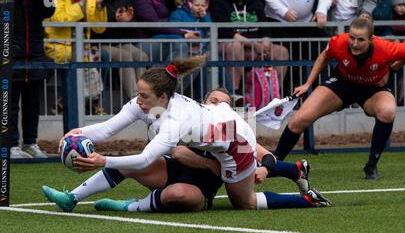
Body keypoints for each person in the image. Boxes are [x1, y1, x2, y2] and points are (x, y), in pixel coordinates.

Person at [41, 56, 330, 213]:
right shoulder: (147, 102)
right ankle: (71, 199)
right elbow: (106, 128)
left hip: (236, 145)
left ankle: (307, 200)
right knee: (157, 161)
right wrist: (80, 131)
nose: (137, 100)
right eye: (138, 93)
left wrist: (102, 160)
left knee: (245, 204)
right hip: (221, 133)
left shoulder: (176, 122)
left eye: (143, 95)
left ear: (163, 97)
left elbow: (143, 160)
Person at [273, 17, 405, 180]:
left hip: (372, 89)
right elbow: (323, 56)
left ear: (371, 40)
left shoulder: (385, 48)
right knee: (299, 119)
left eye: (360, 40)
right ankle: (274, 164)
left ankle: (371, 166)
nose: (354, 44)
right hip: (341, 84)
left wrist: (391, 71)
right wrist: (307, 84)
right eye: (352, 37)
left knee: (388, 111)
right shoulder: (338, 42)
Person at [210, 0, 289, 99]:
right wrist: (254, 44)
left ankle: (274, 94)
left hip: (255, 46)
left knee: (281, 51)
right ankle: (234, 94)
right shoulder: (218, 3)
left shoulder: (255, 2)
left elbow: (265, 29)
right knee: (235, 46)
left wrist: (266, 44)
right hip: (228, 44)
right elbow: (227, 32)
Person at [9, 0, 55, 159]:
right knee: (10, 104)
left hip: (36, 53)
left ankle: (30, 142)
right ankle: (11, 145)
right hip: (10, 52)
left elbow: (50, 11)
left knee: (33, 104)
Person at [90, 0, 149, 100]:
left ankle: (145, 95)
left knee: (141, 56)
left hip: (121, 41)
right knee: (125, 56)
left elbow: (132, 25)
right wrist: (114, 21)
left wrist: (128, 21)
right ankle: (135, 99)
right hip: (101, 43)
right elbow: (95, 30)